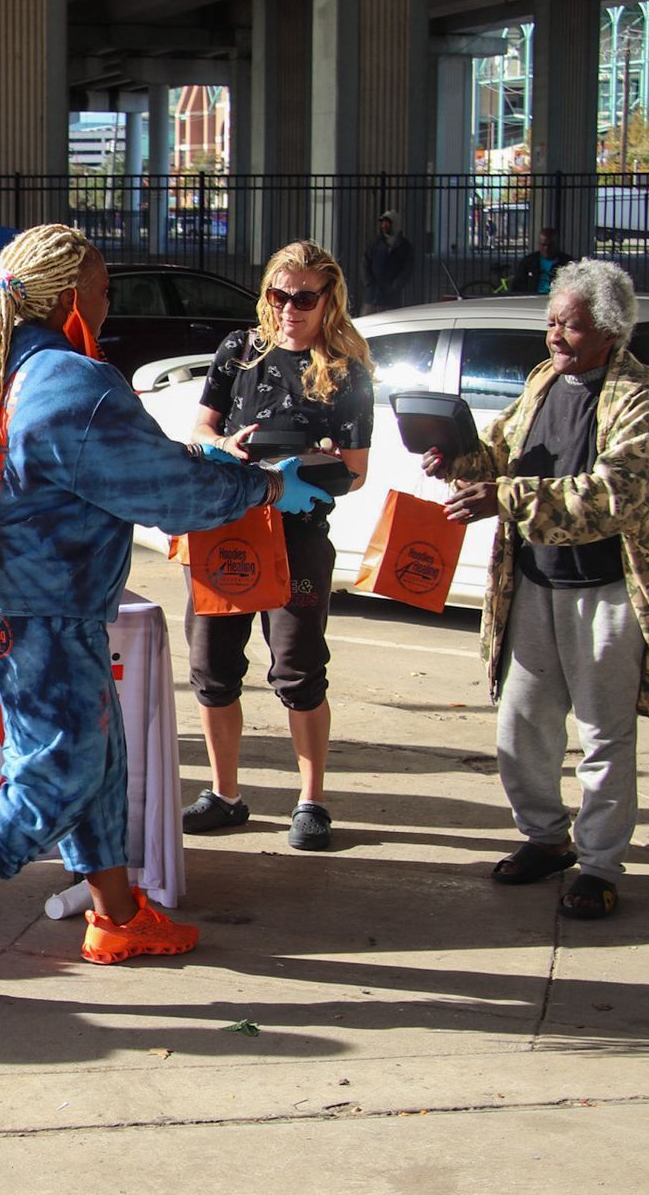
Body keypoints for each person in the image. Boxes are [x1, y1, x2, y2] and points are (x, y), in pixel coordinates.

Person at [0, 225, 332, 997]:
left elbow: (119, 466)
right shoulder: (72, 383)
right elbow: (168, 494)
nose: (108, 306)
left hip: (18, 603)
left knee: (96, 761)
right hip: (43, 611)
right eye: (105, 291)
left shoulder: (6, 367)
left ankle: (117, 916)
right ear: (73, 297)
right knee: (59, 773)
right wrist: (265, 485)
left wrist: (204, 460)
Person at [424, 259, 649, 921]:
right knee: (523, 723)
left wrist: (506, 497)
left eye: (569, 326)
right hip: (534, 582)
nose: (554, 336)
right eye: (551, 322)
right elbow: (502, 451)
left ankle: (599, 866)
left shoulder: (634, 395)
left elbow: (618, 493)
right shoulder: (544, 379)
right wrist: (456, 458)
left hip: (607, 591)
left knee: (604, 735)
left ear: (609, 330)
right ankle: (547, 839)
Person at [180, 241, 374, 852]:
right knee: (212, 668)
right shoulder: (240, 350)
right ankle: (225, 795)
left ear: (328, 300)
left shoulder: (345, 371)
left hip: (297, 533)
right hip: (226, 527)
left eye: (305, 298)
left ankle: (311, 801)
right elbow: (201, 426)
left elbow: (357, 471)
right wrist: (224, 446)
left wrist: (308, 466)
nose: (290, 308)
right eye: (279, 295)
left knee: (299, 670)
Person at [361, 209, 413, 312]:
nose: (384, 226)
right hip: (372, 298)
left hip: (390, 300)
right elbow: (365, 264)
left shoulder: (404, 246)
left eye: (387, 223)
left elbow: (407, 270)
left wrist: (395, 287)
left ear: (395, 224)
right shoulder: (375, 243)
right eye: (383, 223)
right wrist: (368, 283)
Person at [509, 227, 574, 294]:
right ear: (539, 244)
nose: (546, 248)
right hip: (532, 298)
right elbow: (516, 285)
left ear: (557, 244)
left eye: (550, 245)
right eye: (543, 245)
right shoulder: (528, 262)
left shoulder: (566, 262)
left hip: (557, 298)